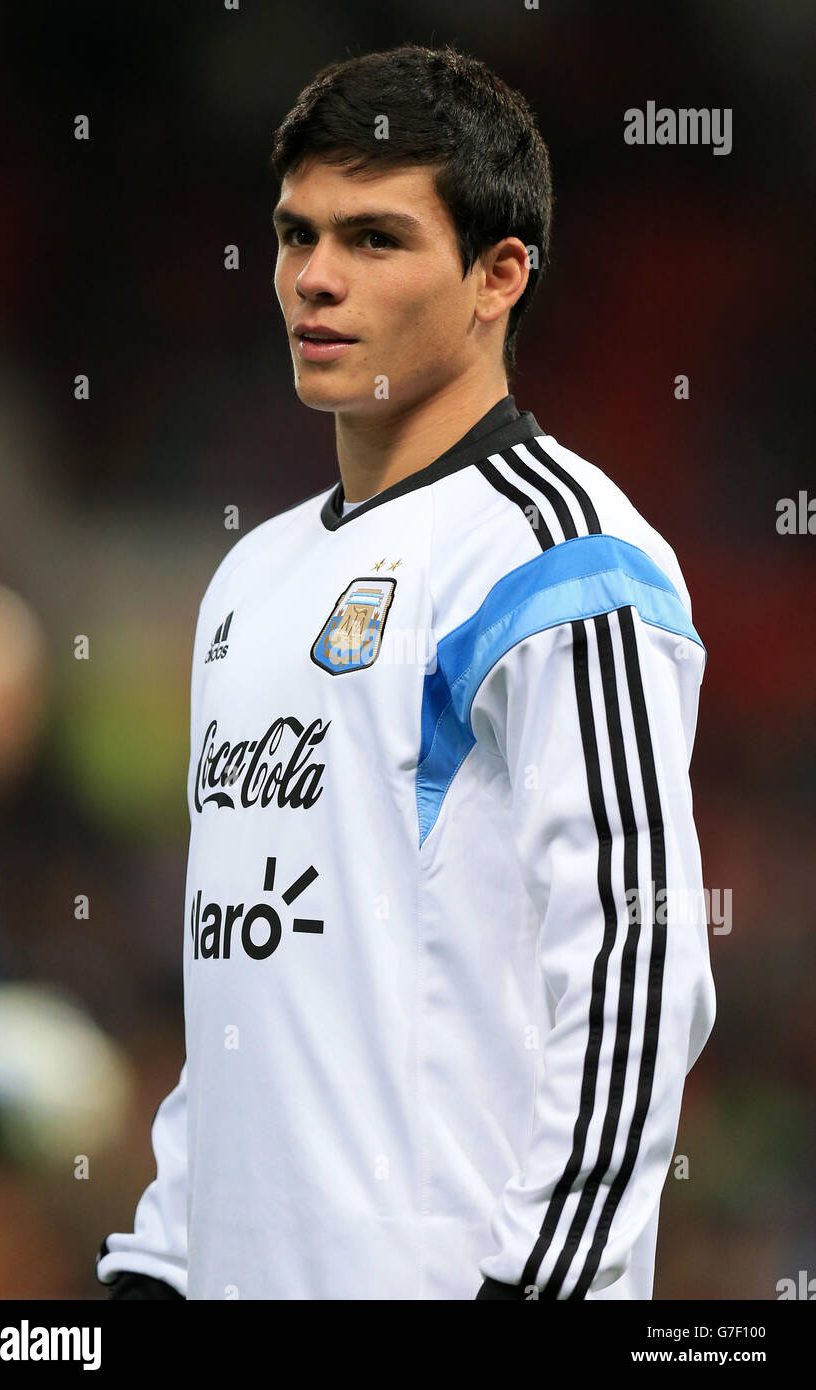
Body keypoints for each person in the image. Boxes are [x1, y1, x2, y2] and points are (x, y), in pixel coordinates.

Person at [97, 42, 716, 1301]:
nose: (311, 281)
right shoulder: (250, 578)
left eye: (374, 240)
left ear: (498, 277)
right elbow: (246, 976)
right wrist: (162, 1257)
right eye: (294, 234)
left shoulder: (553, 552)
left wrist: (537, 1289)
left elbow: (638, 967)